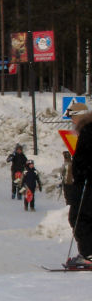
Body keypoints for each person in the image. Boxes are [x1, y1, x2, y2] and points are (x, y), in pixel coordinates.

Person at [70, 104, 92, 265]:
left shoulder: (87, 131)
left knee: (79, 217)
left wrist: (80, 175)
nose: (71, 121)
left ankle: (88, 255)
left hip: (87, 183)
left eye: (72, 117)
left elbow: (81, 159)